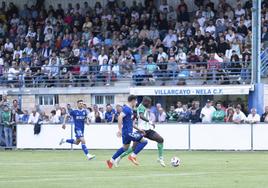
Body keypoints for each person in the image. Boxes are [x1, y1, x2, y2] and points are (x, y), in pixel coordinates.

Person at [117, 97, 166, 167]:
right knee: (133, 147)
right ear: (145, 102)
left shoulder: (143, 108)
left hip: (148, 130)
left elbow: (136, 116)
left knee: (160, 139)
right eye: (149, 103)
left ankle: (160, 158)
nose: (149, 104)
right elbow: (141, 116)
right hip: (141, 131)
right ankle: (120, 157)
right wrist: (150, 121)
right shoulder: (141, 107)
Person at [106, 95, 148, 168]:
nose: (136, 103)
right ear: (133, 101)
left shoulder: (130, 110)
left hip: (127, 132)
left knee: (125, 148)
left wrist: (139, 129)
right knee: (144, 141)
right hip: (128, 133)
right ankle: (133, 156)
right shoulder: (127, 109)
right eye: (136, 101)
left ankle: (111, 161)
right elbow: (120, 117)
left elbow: (130, 123)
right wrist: (119, 130)